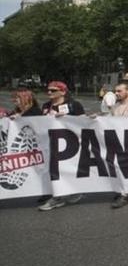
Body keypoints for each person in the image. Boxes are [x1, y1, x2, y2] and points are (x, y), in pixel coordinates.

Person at [38, 81, 86, 211]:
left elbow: (83, 122)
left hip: (69, 143)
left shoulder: (73, 105)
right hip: (50, 142)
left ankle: (65, 194)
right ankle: (58, 195)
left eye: (53, 90)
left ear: (63, 92)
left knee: (66, 169)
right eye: (48, 90)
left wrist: (67, 118)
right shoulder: (46, 106)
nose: (49, 92)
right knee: (54, 170)